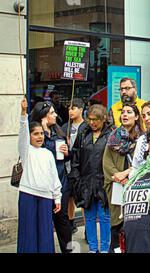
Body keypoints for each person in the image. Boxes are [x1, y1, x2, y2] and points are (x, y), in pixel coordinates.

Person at [17, 98, 62, 253]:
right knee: (28, 233)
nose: (39, 137)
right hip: (28, 195)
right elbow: (22, 133)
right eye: (35, 134)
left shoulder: (48, 153)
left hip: (46, 197)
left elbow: (54, 177)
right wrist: (23, 113)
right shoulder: (26, 151)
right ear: (29, 136)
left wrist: (57, 197)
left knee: (46, 234)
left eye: (41, 133)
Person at [30, 100, 72, 253]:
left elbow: (67, 157)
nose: (55, 115)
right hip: (42, 185)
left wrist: (67, 152)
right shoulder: (36, 134)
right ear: (44, 116)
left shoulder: (58, 132)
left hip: (61, 182)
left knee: (63, 220)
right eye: (52, 113)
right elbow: (37, 153)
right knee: (44, 221)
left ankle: (68, 249)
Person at [70, 104, 113, 253]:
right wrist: (77, 180)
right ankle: (93, 249)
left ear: (103, 119)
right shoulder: (83, 134)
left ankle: (105, 249)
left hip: (103, 182)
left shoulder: (111, 135)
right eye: (90, 119)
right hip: (86, 182)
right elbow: (75, 157)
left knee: (104, 217)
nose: (92, 123)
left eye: (96, 120)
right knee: (88, 217)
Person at [103, 102, 144, 253]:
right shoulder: (112, 138)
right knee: (117, 228)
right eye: (123, 112)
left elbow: (145, 164)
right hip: (117, 186)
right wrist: (119, 178)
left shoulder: (143, 139)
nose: (125, 114)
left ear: (136, 116)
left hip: (137, 186)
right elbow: (106, 164)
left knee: (134, 225)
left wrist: (128, 174)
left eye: (129, 112)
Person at [62, 98, 88, 234]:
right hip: (67, 166)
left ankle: (87, 228)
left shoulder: (86, 127)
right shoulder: (65, 127)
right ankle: (71, 224)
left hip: (80, 167)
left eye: (73, 108)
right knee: (69, 197)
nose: (70, 111)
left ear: (81, 110)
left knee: (82, 198)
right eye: (69, 108)